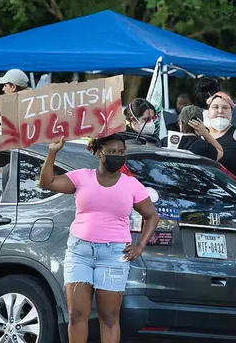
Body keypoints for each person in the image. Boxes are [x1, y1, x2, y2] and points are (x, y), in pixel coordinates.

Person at [39, 134, 159, 343]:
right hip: (80, 253)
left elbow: (151, 216)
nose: (117, 157)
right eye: (111, 152)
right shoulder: (82, 177)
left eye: (121, 153)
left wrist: (140, 245)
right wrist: (52, 152)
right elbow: (47, 182)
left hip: (114, 255)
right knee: (77, 315)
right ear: (98, 152)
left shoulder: (131, 185)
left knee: (109, 318)